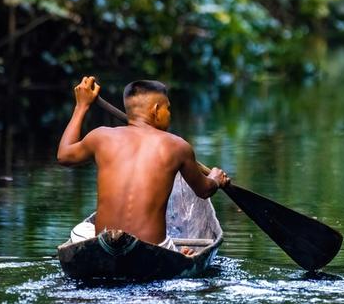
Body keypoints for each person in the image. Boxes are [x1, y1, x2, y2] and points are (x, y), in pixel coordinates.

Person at [56, 76, 230, 255]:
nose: (169, 114)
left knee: (82, 230)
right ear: (156, 110)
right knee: (175, 250)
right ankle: (179, 253)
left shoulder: (101, 137)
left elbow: (64, 156)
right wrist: (215, 179)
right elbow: (203, 190)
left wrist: (81, 106)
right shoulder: (178, 146)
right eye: (168, 108)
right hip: (154, 250)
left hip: (104, 246)